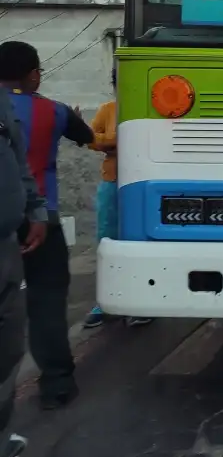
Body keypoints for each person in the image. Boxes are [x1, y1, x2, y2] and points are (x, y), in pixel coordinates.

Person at [0, 42, 93, 411]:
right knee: (47, 303)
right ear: (34, 74)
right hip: (41, 221)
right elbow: (87, 137)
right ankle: (56, 385)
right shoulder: (53, 111)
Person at [0, 80, 63, 457]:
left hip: (6, 243)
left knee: (6, 358)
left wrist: (34, 208)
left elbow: (15, 157)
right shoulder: (52, 109)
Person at [83, 69, 150, 329]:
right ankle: (105, 302)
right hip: (112, 182)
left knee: (138, 242)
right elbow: (89, 139)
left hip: (142, 182)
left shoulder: (149, 108)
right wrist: (115, 141)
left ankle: (138, 303)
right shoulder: (108, 109)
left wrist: (108, 142)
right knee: (107, 239)